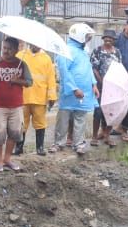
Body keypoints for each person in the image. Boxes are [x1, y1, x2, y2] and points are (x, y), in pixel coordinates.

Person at [0, 37, 31, 172]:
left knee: (14, 132)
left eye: (9, 49)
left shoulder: (22, 64)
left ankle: (7, 159)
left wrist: (18, 80)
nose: (6, 51)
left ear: (16, 50)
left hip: (16, 105)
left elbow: (30, 82)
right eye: (4, 48)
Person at [53, 23, 96, 154]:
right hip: (70, 92)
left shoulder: (84, 51)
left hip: (85, 92)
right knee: (64, 118)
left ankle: (78, 144)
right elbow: (64, 71)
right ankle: (58, 143)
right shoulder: (66, 51)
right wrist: (74, 89)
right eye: (87, 37)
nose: (88, 39)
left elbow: (89, 69)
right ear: (80, 36)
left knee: (80, 118)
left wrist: (94, 85)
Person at [15, 41, 57, 157]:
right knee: (21, 123)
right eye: (33, 43)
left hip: (39, 96)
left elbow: (51, 79)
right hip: (23, 96)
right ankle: (19, 147)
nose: (35, 45)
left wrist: (52, 96)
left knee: (40, 123)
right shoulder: (20, 55)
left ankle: (40, 147)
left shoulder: (46, 59)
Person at [90, 30, 120, 145]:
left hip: (112, 88)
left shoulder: (117, 52)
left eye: (110, 39)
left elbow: (119, 68)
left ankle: (107, 135)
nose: (108, 40)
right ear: (103, 39)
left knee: (110, 112)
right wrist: (102, 81)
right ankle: (94, 136)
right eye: (106, 38)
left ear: (114, 40)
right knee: (98, 112)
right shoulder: (97, 51)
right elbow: (93, 68)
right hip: (100, 87)